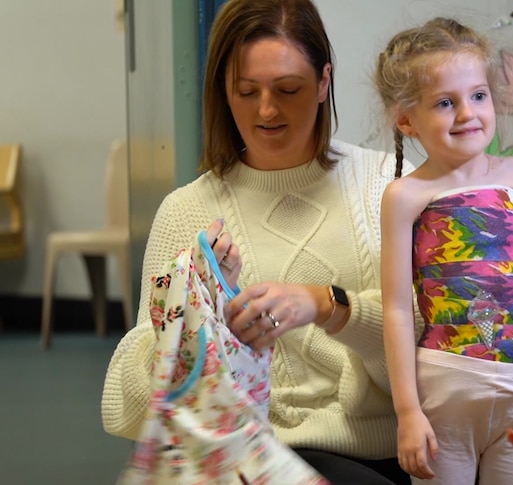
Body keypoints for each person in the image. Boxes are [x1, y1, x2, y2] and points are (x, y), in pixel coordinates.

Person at [101, 1, 414, 484]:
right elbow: (129, 403)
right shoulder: (187, 211)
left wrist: (329, 307)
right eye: (246, 92)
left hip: (402, 450)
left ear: (324, 81)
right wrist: (196, 310)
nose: (267, 110)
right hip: (256, 461)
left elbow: (439, 350)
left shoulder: (387, 184)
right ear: (223, 92)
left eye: (288, 90)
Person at [375, 17, 513, 485]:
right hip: (445, 389)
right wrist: (408, 411)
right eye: (445, 103)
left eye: (478, 96)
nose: (467, 114)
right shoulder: (405, 197)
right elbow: (396, 310)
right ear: (407, 118)